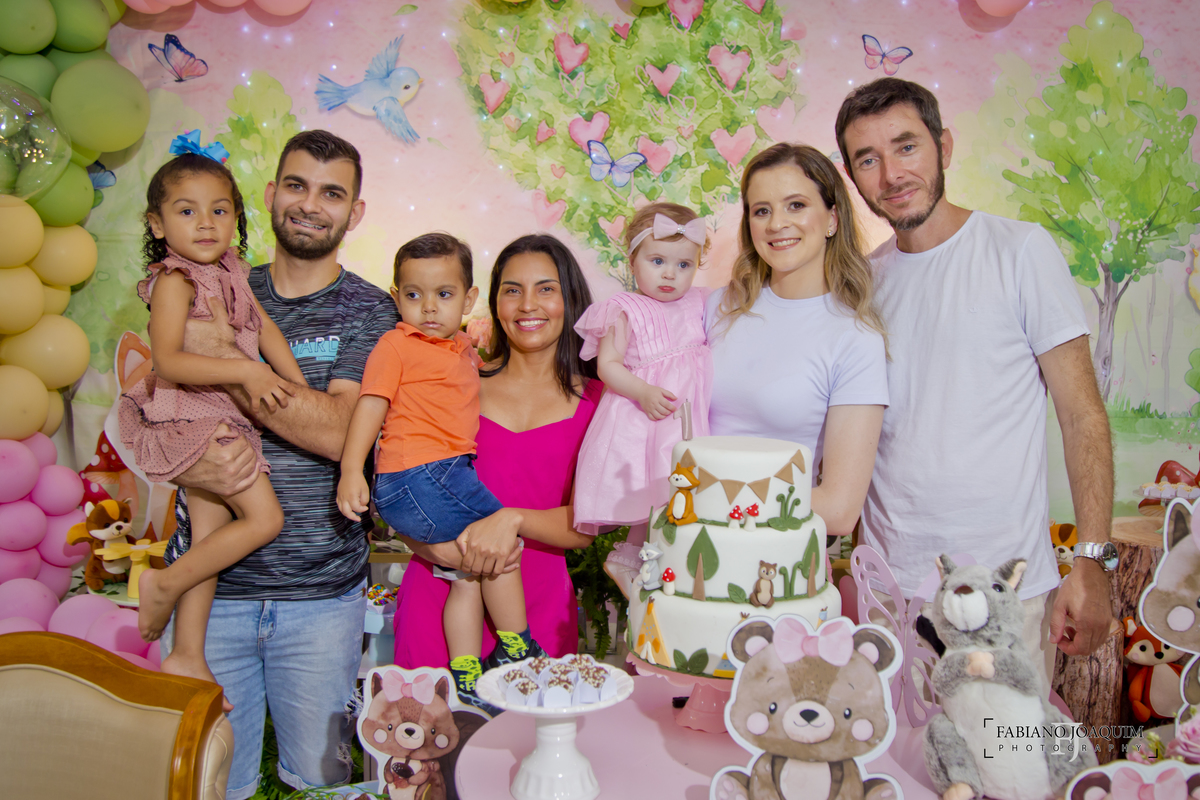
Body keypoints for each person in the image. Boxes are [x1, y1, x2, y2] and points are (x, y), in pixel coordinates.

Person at [835, 77, 1114, 687]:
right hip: (889, 593)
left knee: (1005, 747)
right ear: (852, 176)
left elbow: (1082, 415)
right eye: (868, 159)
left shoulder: (1019, 251)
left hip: (1003, 591)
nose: (892, 174)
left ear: (944, 146)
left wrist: (1093, 562)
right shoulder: (861, 284)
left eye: (907, 146)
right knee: (895, 748)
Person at [161, 130, 399, 800]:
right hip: (210, 595)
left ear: (354, 212)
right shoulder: (207, 280)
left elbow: (345, 434)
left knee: (319, 786)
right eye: (296, 185)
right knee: (206, 786)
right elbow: (164, 402)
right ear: (269, 195)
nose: (310, 204)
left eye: (332, 193)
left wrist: (230, 364)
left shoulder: (371, 310)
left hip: (321, 601)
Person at [118, 142, 305, 691]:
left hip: (222, 414)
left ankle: (187, 654)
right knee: (264, 520)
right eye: (187, 210)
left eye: (219, 210)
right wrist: (248, 373)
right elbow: (168, 360)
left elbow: (266, 331)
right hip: (193, 415)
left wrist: (296, 388)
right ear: (157, 224)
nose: (205, 223)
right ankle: (163, 584)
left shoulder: (232, 271)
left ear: (236, 219)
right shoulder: (174, 281)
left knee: (208, 539)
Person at [338, 232, 543, 712]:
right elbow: (371, 405)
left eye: (444, 294)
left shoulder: (460, 347)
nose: (429, 308)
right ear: (396, 297)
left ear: (469, 300)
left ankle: (465, 673)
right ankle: (519, 650)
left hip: (438, 476)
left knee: (467, 572)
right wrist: (351, 470)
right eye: (414, 295)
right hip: (422, 473)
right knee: (501, 545)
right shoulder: (396, 344)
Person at [394, 234, 601, 670]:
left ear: (571, 299)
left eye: (546, 289)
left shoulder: (600, 404)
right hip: (440, 598)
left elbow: (586, 526)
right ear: (493, 302)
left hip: (538, 614)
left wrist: (511, 519)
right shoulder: (454, 382)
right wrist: (442, 553)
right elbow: (401, 482)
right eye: (512, 290)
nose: (528, 305)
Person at [706, 143, 889, 539]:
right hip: (690, 542)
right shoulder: (717, 308)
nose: (776, 224)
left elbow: (839, 510)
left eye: (796, 205)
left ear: (832, 219)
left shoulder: (855, 339)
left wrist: (710, 500)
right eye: (761, 210)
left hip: (777, 555)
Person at [572, 202, 713, 543]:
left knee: (685, 484)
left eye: (684, 265)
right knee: (651, 482)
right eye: (657, 261)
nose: (670, 274)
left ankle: (670, 554)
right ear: (633, 261)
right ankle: (635, 550)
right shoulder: (623, 309)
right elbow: (607, 365)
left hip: (689, 413)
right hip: (646, 415)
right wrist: (643, 392)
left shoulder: (699, 301)